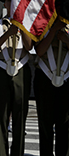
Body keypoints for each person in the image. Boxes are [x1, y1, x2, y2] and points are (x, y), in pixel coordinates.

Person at [0, 0, 33, 155]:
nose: (11, 3)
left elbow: (29, 47)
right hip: (1, 71)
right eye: (8, 0)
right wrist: (9, 32)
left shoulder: (26, 24)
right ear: (5, 4)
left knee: (20, 119)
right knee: (1, 118)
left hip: (21, 71)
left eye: (14, 1)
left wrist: (21, 26)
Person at [33, 17, 69, 156]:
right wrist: (53, 30)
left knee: (64, 124)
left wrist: (65, 39)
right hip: (45, 76)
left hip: (66, 77)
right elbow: (39, 51)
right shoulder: (43, 25)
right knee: (45, 124)